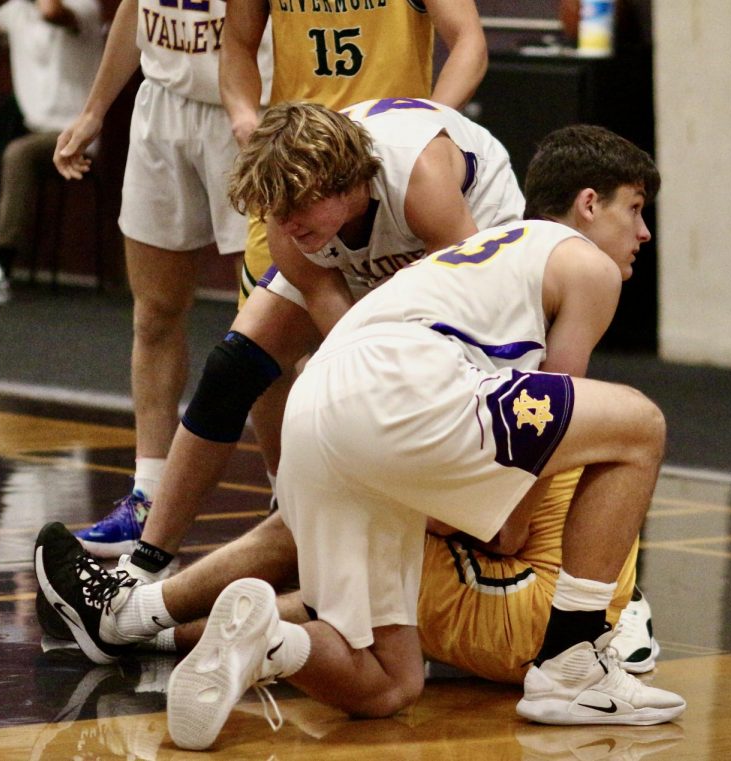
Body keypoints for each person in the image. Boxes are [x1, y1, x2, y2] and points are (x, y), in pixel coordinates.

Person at [35, 124, 685, 749]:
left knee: (389, 683)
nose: (643, 232)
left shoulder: (477, 257)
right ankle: (575, 667)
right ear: (590, 203)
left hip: (317, 398)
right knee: (638, 424)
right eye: (635, 209)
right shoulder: (585, 267)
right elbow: (548, 439)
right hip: (401, 386)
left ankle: (269, 638)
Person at [73, 0, 489, 557]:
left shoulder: (421, 165)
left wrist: (427, 119)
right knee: (251, 360)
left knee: (432, 352)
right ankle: (286, 502)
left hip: (383, 171)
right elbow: (239, 45)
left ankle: (453, 514)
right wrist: (245, 114)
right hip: (296, 169)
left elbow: (470, 41)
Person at [52, 0, 272, 553]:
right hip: (162, 107)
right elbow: (135, 9)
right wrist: (94, 110)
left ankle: (287, 498)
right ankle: (146, 494)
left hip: (251, 115)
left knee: (272, 325)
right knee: (153, 313)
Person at [0, 0, 104, 305]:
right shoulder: (18, 11)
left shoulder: (83, 6)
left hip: (72, 134)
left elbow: (52, 13)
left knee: (18, 154)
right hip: (25, 126)